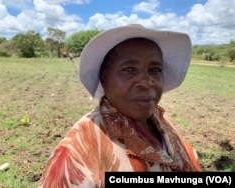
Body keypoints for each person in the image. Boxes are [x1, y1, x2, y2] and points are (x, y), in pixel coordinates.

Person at [38, 24, 202, 188]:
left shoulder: (160, 119)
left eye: (154, 69)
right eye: (129, 69)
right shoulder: (75, 153)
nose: (146, 82)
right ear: (103, 78)